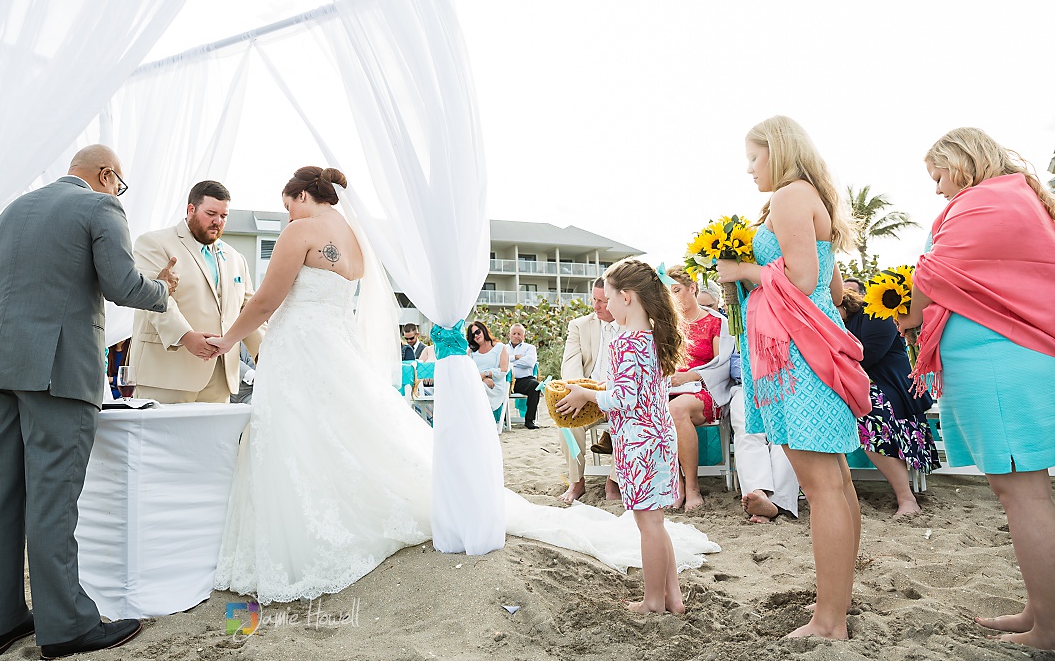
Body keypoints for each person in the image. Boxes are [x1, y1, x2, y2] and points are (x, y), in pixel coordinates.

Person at [206, 166, 720, 604]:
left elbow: (267, 300)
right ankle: (668, 596)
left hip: (303, 349)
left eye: (288, 205)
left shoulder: (301, 231)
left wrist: (228, 339)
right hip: (333, 347)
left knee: (302, 436)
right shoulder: (353, 238)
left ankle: (657, 599)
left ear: (301, 195)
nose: (288, 216)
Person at [0, 144, 177, 658]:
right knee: (52, 497)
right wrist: (163, 289)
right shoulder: (101, 206)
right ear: (106, 175)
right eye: (120, 183)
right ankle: (65, 628)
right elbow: (123, 285)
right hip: (56, 369)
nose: (119, 191)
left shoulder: (12, 210)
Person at [896, 127, 1055, 649]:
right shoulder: (1014, 197)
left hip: (998, 358)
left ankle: (1050, 628)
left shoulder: (984, 201)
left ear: (961, 163)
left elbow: (932, 276)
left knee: (1023, 492)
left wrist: (906, 314)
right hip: (1006, 355)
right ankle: (1040, 608)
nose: (937, 187)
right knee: (1020, 489)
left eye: (939, 174)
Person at [717, 115, 868, 640]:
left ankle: (828, 622)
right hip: (813, 345)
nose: (749, 168)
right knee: (837, 481)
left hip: (799, 354)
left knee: (821, 487)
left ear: (777, 152)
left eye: (754, 157)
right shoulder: (810, 197)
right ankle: (838, 602)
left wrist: (742, 272)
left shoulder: (788, 196)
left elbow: (801, 280)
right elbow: (832, 287)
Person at [555, 259, 685, 614]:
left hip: (639, 443)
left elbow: (624, 398)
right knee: (655, 522)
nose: (606, 305)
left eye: (609, 297)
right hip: (658, 436)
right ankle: (672, 598)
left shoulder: (625, 341)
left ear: (626, 297)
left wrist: (587, 394)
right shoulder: (652, 337)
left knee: (648, 524)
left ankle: (653, 601)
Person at [130, 181, 259, 403]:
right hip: (167, 374)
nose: (218, 221)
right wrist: (186, 337)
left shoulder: (236, 258)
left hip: (221, 378)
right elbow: (151, 299)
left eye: (224, 216)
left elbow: (250, 310)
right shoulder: (153, 243)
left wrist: (263, 353)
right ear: (191, 209)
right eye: (211, 214)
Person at [837, 289, 938, 516]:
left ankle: (906, 498)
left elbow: (868, 356)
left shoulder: (875, 313)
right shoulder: (831, 323)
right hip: (852, 386)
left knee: (870, 418)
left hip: (890, 384)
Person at [663, 264, 722, 511]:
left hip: (704, 390)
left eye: (677, 290)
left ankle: (692, 487)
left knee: (676, 409)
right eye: (669, 293)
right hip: (669, 389)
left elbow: (722, 366)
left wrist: (689, 376)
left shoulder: (716, 322)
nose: (673, 297)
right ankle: (676, 483)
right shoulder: (666, 326)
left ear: (693, 288)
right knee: (653, 409)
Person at [558, 278, 621, 503]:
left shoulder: (632, 325)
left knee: (630, 418)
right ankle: (576, 481)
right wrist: (583, 392)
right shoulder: (579, 325)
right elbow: (570, 367)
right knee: (565, 418)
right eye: (594, 299)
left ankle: (614, 481)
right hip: (586, 397)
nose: (596, 306)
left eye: (603, 301)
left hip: (618, 397)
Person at [726, 351, 800, 523]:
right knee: (747, 430)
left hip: (787, 383)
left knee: (783, 436)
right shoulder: (735, 334)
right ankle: (759, 493)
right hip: (746, 385)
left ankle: (776, 502)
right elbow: (733, 365)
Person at [467, 320, 509, 424]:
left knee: (476, 388)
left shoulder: (499, 347)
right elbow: (468, 372)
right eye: (473, 335)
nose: (476, 336)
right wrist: (483, 378)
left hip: (494, 384)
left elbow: (503, 370)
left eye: (477, 332)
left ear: (484, 330)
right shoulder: (471, 352)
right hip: (478, 382)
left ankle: (479, 422)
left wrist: (486, 373)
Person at [506, 324, 541, 429]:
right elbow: (498, 362)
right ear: (509, 335)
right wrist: (515, 357)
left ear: (524, 336)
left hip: (524, 380)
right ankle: (501, 419)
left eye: (519, 334)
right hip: (506, 380)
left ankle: (529, 420)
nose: (516, 336)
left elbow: (529, 363)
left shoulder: (530, 348)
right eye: (514, 333)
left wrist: (509, 361)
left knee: (535, 386)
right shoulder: (503, 348)